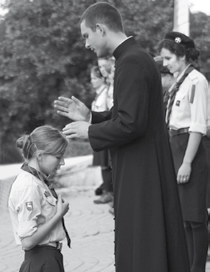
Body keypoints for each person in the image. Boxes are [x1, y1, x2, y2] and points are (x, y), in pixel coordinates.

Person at [54, 2, 190, 272]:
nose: (85, 44)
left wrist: (89, 132)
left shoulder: (130, 62)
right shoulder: (135, 58)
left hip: (142, 171)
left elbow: (131, 125)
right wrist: (91, 117)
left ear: (100, 29)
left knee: (145, 245)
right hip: (144, 166)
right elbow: (126, 115)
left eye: (86, 36)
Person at [159, 31, 209, 272]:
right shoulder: (179, 82)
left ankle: (197, 267)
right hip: (175, 146)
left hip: (190, 148)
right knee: (185, 218)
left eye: (168, 58)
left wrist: (187, 162)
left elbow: (199, 125)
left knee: (196, 217)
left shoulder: (197, 81)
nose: (165, 63)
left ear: (181, 55)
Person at [8, 125, 70, 272]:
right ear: (40, 155)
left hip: (48, 259)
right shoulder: (28, 186)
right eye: (58, 156)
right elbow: (28, 242)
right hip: (42, 261)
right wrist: (58, 215)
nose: (62, 162)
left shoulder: (37, 181)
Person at [90, 65, 113, 205]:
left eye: (94, 78)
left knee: (106, 164)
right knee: (103, 164)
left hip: (103, 131)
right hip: (98, 131)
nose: (92, 81)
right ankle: (106, 190)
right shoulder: (101, 93)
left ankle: (109, 192)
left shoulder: (106, 93)